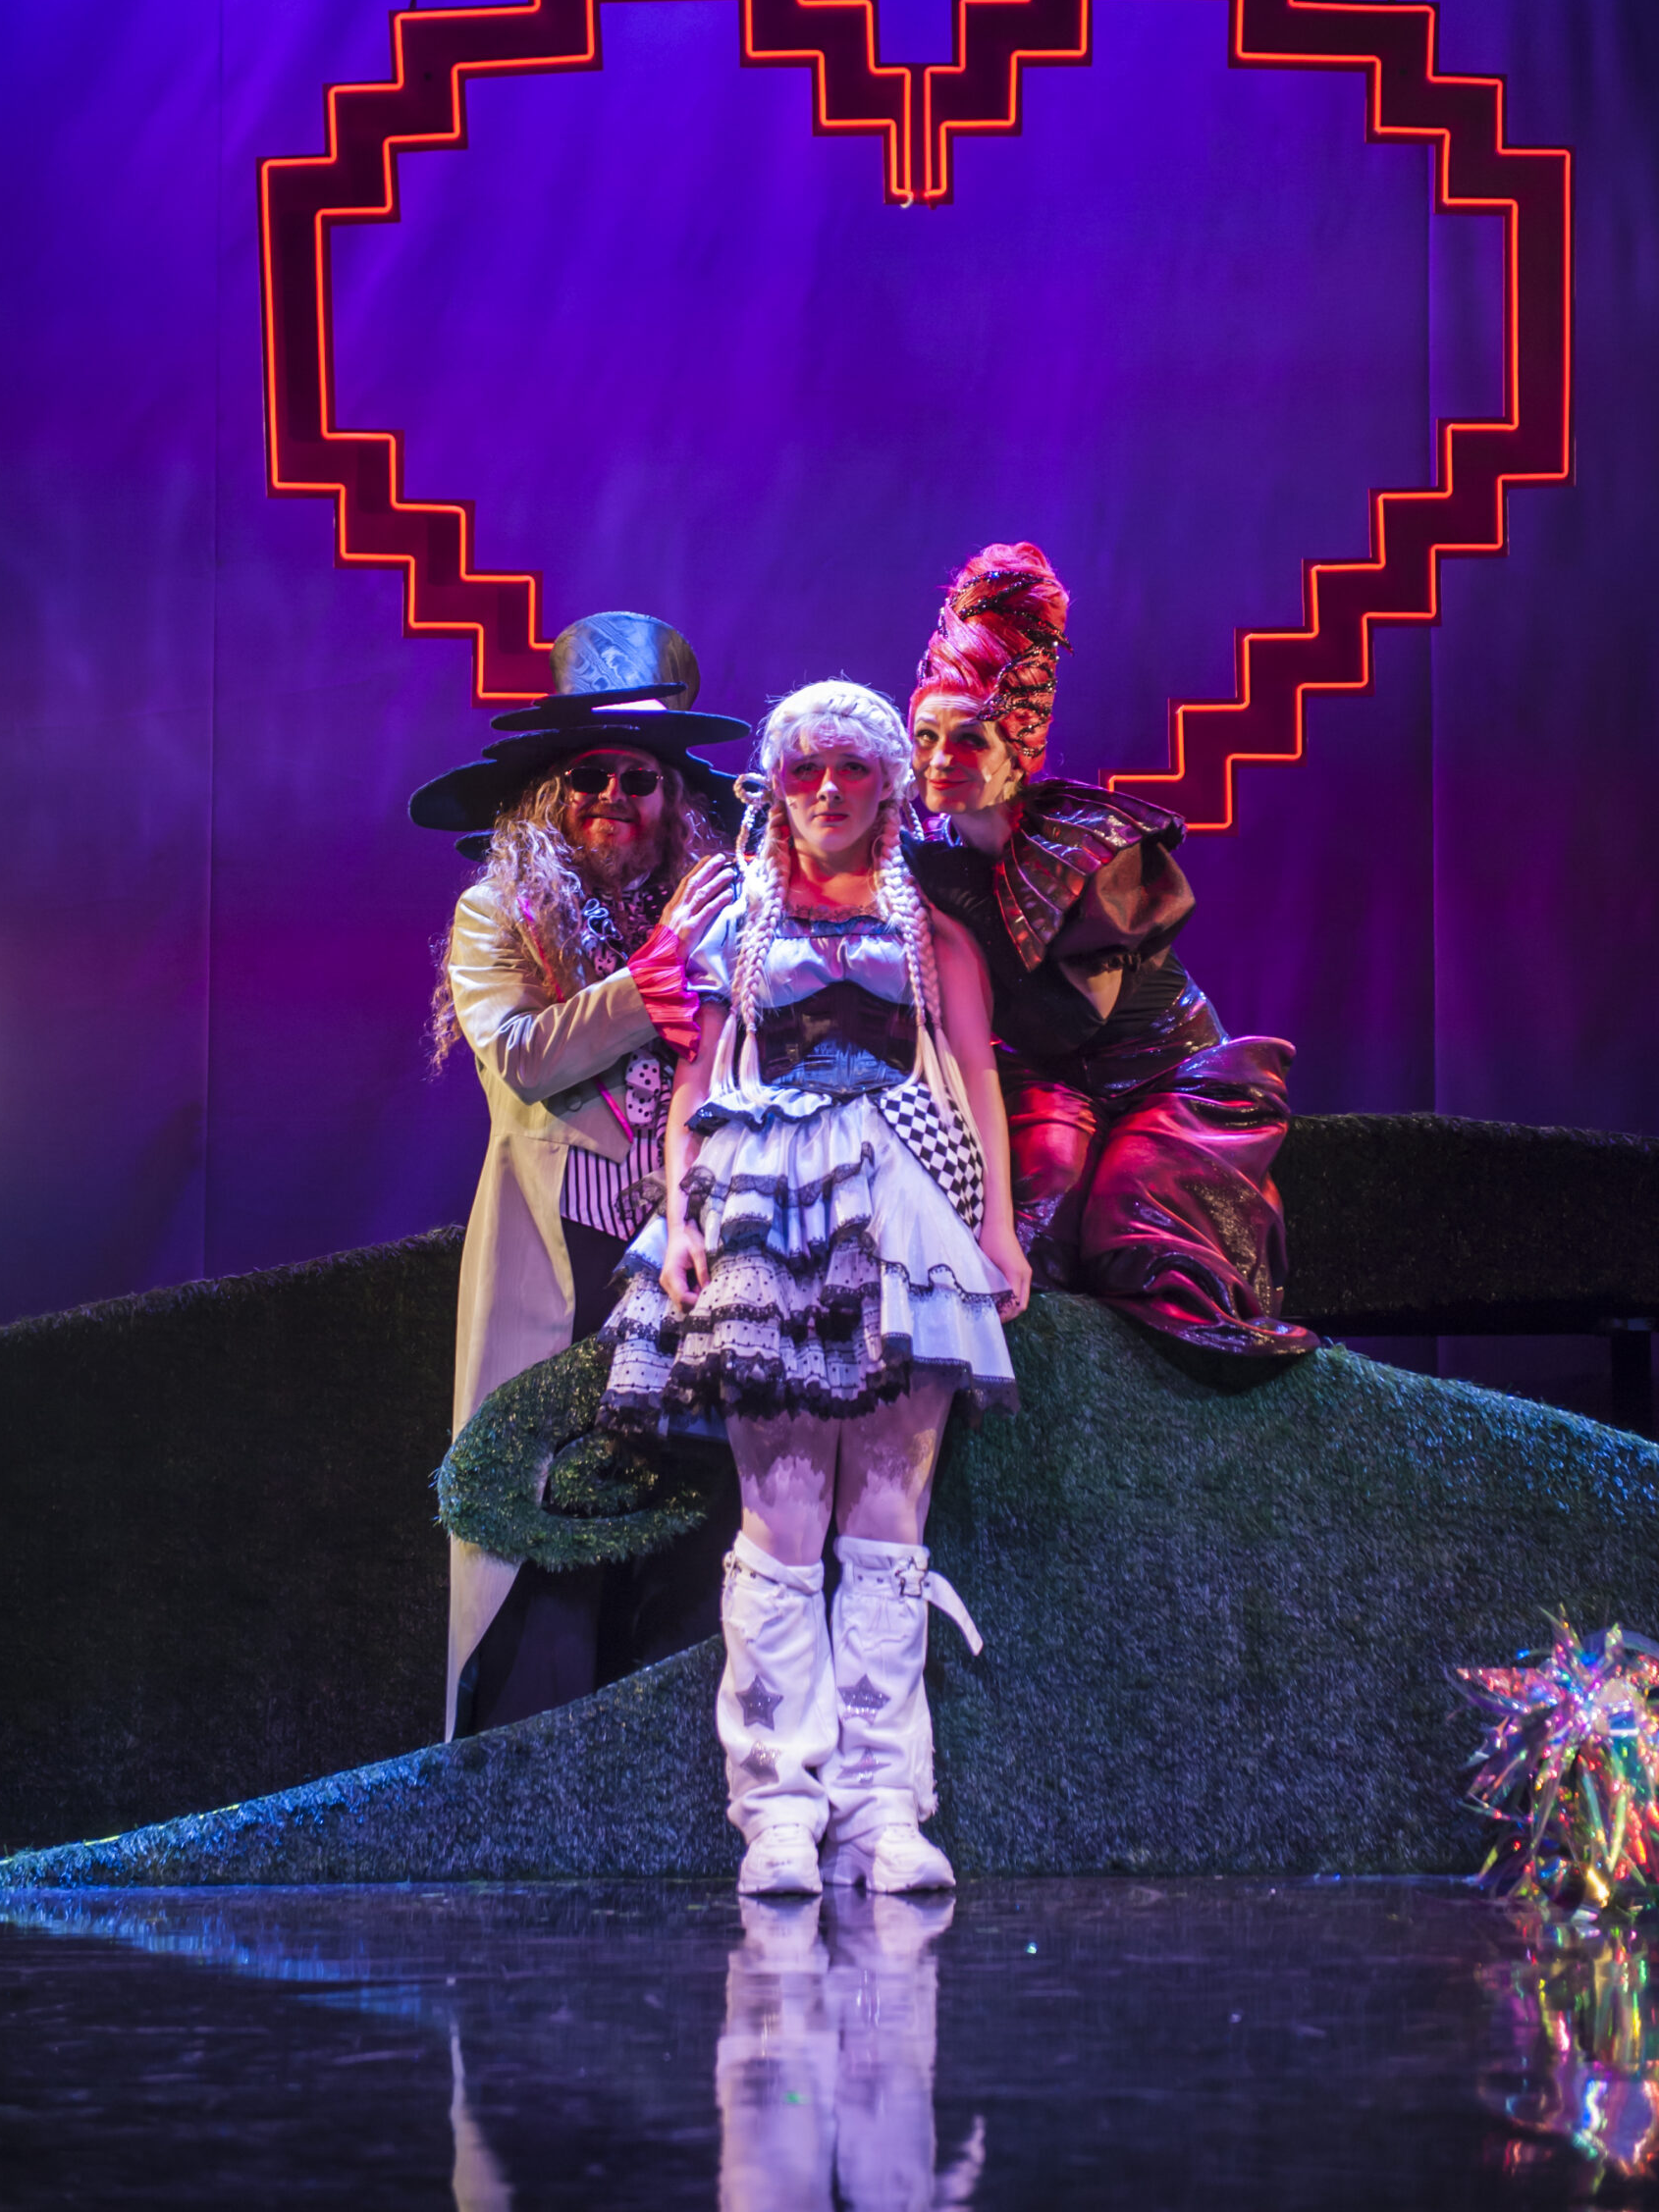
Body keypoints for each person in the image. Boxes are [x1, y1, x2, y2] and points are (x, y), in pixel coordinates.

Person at [598, 680, 1032, 1899]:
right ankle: (779, 1808)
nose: (827, 790)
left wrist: (997, 1226)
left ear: (889, 785)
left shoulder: (932, 934)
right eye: (804, 769)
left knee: (889, 1517)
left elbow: (978, 1076)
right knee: (780, 1512)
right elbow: (694, 1083)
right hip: (767, 1204)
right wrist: (683, 1216)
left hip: (900, 1202)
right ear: (776, 784)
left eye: (851, 768)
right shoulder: (734, 921)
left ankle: (884, 1810)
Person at [410, 610, 747, 1739]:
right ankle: (526, 1800)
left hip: (686, 1273)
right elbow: (518, 1053)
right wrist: (648, 982)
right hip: (563, 1266)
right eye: (587, 775)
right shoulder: (498, 913)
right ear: (549, 795)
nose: (611, 796)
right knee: (545, 1565)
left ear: (674, 797)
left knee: (685, 1556)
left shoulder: (718, 911)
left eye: (637, 777)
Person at [903, 545, 1315, 1366]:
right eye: (926, 736)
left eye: (969, 740)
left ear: (1018, 748)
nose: (940, 760)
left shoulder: (1096, 847)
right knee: (1032, 1213)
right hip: (1043, 1080)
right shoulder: (921, 849)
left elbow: (1065, 1021)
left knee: (1141, 1230)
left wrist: (962, 898)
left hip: (1162, 1077)